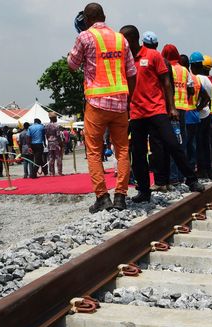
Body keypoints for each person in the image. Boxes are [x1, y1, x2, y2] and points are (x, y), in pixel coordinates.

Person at [120, 26, 203, 203]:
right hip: (136, 113)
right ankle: (143, 190)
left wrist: (171, 107)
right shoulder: (124, 60)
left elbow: (166, 82)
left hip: (157, 110)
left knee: (173, 144)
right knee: (139, 152)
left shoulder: (153, 56)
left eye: (123, 40)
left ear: (132, 40)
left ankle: (191, 180)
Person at [67, 2, 137, 213]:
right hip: (119, 104)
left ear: (87, 20)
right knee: (122, 150)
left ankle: (102, 197)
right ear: (104, 16)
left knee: (95, 151)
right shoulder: (120, 38)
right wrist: (128, 101)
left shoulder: (85, 37)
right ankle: (121, 197)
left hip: (96, 104)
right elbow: (131, 72)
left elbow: (72, 64)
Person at [162, 43, 192, 185]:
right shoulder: (185, 71)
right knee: (182, 143)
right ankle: (181, 176)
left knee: (171, 143)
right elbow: (191, 89)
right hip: (183, 109)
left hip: (170, 110)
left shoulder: (166, 68)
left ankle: (172, 177)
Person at [188, 52, 212, 179]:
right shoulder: (207, 80)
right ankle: (207, 170)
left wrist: (197, 108)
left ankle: (201, 170)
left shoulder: (196, 79)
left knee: (197, 145)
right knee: (205, 144)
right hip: (207, 114)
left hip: (197, 116)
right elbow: (208, 98)